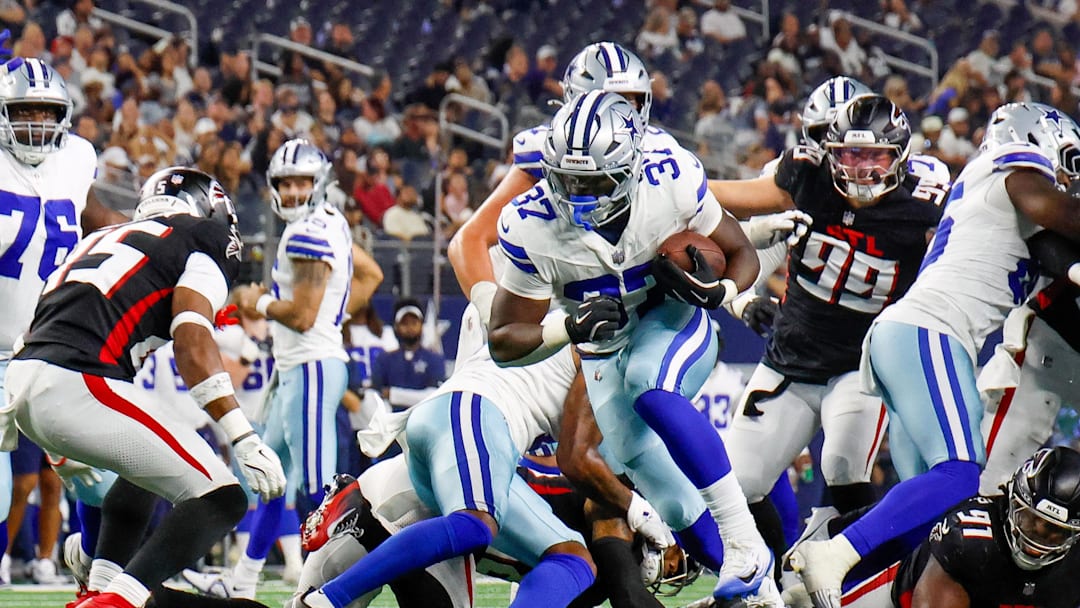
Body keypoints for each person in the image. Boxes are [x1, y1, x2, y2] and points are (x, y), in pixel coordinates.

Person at [486, 90, 781, 606]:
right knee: (661, 483)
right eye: (567, 180)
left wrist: (724, 294)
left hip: (673, 320)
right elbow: (504, 341)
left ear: (627, 168)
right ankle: (766, 595)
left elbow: (738, 252)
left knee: (650, 384)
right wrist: (566, 329)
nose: (577, 195)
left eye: (593, 182)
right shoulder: (530, 223)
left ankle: (743, 543)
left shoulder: (668, 179)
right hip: (603, 352)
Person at [790, 102, 1080, 608]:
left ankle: (791, 591)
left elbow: (1056, 247)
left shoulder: (991, 197)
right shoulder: (1013, 175)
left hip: (915, 337)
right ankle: (832, 552)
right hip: (929, 333)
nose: (1065, 181)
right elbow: (1050, 207)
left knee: (933, 516)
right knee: (960, 474)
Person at [1, 167, 285, 608]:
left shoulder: (101, 238)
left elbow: (35, 330)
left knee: (144, 475)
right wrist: (242, 437)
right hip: (77, 379)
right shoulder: (200, 239)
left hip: (25, 378)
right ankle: (119, 601)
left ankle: (102, 582)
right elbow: (192, 339)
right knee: (222, 497)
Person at [708, 95, 949, 568]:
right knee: (737, 487)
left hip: (860, 368)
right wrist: (675, 183)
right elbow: (726, 202)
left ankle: (839, 578)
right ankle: (771, 576)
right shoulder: (807, 176)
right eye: (849, 155)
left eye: (874, 156)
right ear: (829, 151)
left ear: (899, 155)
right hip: (790, 359)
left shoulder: (925, 206)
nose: (860, 170)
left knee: (844, 470)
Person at [200, 139, 354, 599]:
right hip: (300, 366)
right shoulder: (332, 222)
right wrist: (336, 317)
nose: (291, 192)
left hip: (311, 366)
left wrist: (257, 300)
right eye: (285, 184)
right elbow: (368, 276)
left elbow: (303, 316)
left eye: (301, 182)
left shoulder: (310, 230)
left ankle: (326, 587)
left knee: (319, 490)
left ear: (319, 182)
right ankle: (244, 583)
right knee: (270, 480)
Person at [0, 52, 128, 585]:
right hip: (0, 351)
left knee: (99, 478)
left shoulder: (75, 157)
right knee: (1, 490)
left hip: (59, 351)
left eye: (47, 112)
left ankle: (96, 582)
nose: (37, 123)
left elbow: (94, 216)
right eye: (24, 111)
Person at [801, 447, 1080, 608]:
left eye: (1055, 531)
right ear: (1011, 501)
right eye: (1031, 521)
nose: (1036, 539)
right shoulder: (971, 540)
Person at [371, 300, 446, 413]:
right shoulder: (384, 359)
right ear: (396, 326)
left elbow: (434, 396)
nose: (410, 328)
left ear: (421, 325)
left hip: (424, 418)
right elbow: (376, 394)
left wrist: (393, 394)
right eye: (404, 323)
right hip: (392, 420)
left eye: (414, 323)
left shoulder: (434, 359)